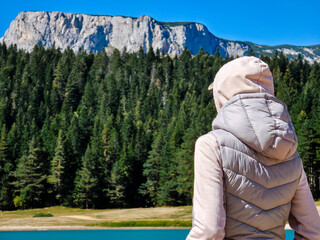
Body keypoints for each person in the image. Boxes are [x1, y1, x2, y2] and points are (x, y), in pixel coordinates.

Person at [186, 56, 320, 240]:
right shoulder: (290, 152)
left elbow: (209, 231)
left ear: (222, 93)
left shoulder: (211, 145)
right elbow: (313, 232)